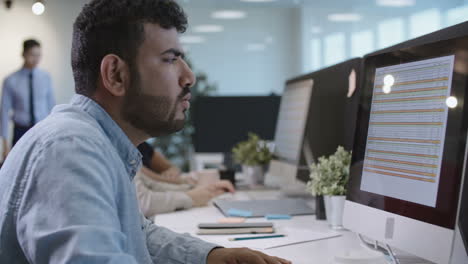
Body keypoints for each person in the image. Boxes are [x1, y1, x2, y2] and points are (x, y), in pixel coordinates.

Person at [0, 0, 291, 263]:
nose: (188, 76)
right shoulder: (71, 149)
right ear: (115, 74)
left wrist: (211, 257)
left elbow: (135, 234)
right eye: (170, 59)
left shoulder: (100, 142)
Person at [135, 142, 235, 217]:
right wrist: (191, 196)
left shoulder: (138, 145)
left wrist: (195, 188)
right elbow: (145, 203)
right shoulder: (123, 153)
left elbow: (153, 183)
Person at [0, 39, 55, 160]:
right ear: (23, 54)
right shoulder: (10, 80)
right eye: (32, 55)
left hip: (41, 130)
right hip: (20, 131)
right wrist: (5, 145)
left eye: (38, 55)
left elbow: (52, 107)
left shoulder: (45, 78)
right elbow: (4, 112)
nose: (36, 59)